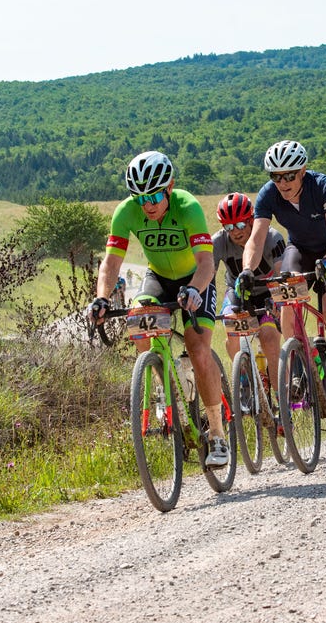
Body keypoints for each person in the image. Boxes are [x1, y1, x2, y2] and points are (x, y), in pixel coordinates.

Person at [88, 151, 230, 467]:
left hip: (195, 279)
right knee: (138, 325)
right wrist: (102, 298)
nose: (148, 205)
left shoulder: (188, 207)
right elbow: (111, 263)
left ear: (169, 187)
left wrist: (194, 289)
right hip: (159, 279)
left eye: (154, 195)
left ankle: (218, 434)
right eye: (140, 198)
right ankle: (168, 397)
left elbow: (207, 262)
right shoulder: (126, 213)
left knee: (197, 348)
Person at [238, 140, 326, 428]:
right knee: (286, 296)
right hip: (300, 250)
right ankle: (296, 365)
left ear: (303, 171)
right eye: (276, 176)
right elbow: (256, 239)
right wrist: (246, 270)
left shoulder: (323, 186)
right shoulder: (268, 194)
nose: (282, 183)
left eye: (289, 175)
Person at [213, 192, 285, 397]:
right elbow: (208, 272)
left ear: (252, 219)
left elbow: (281, 273)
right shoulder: (218, 242)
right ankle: (243, 377)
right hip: (238, 293)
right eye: (228, 227)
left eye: (241, 225)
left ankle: (281, 399)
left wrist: (278, 301)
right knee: (231, 328)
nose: (235, 231)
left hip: (269, 292)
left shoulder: (272, 237)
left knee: (269, 338)